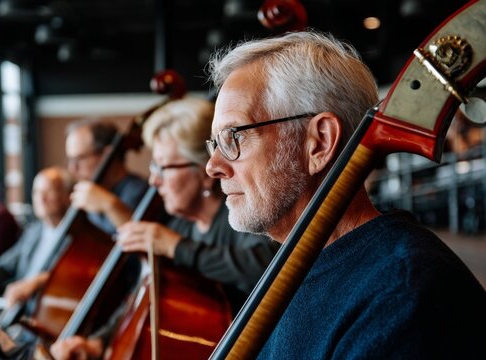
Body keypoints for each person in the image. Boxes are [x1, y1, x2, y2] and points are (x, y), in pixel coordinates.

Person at [204, 31, 486, 358]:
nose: (213, 166)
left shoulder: (400, 293)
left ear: (320, 143)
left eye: (233, 137)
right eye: (215, 144)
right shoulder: (292, 271)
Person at [50, 97, 279, 360]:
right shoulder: (179, 224)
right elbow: (144, 296)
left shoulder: (241, 219)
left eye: (164, 167)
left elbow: (265, 266)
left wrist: (175, 247)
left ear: (203, 170)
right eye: (153, 166)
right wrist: (99, 342)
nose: (153, 180)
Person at [0, 167, 74, 307]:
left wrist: (35, 283)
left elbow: (72, 276)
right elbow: (8, 263)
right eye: (37, 192)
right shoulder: (34, 230)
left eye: (49, 191)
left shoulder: (77, 235)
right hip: (17, 308)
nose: (41, 198)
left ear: (67, 195)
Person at [65, 118, 150, 234]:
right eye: (71, 160)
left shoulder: (140, 192)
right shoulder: (91, 195)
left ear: (106, 154)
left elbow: (142, 239)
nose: (73, 168)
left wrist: (110, 205)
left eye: (79, 159)